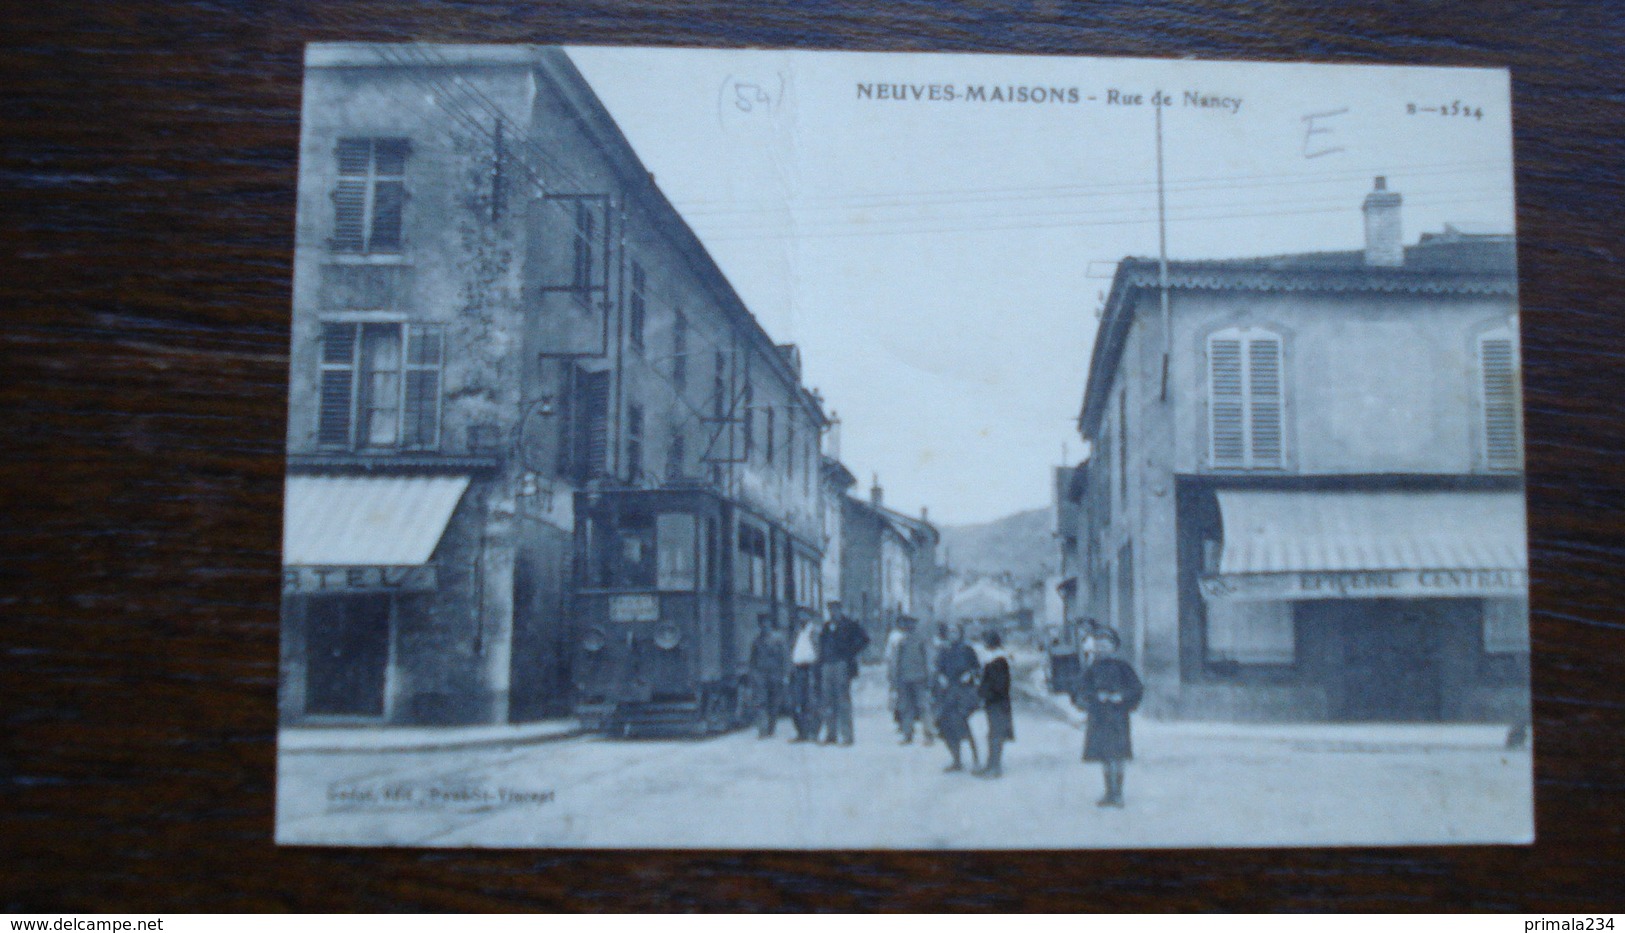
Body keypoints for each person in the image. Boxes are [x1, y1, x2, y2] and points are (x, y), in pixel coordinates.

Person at [1076, 628, 1143, 807]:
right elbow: (1081, 690)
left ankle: (1118, 793)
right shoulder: (1091, 669)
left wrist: (1121, 697)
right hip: (1098, 716)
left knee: (1118, 755)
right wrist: (1096, 696)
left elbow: (1136, 688)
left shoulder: (1123, 667)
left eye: (1106, 645)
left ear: (1114, 647)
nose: (1102, 649)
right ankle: (1109, 792)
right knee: (1105, 755)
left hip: (1118, 717)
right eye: (1098, 645)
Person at [818, 603, 870, 745]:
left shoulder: (850, 625)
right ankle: (831, 734)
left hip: (842, 664)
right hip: (827, 665)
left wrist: (850, 653)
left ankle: (847, 736)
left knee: (843, 701)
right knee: (828, 700)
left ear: (840, 609)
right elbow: (822, 645)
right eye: (830, 609)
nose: (833, 612)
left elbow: (865, 640)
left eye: (835, 609)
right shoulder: (827, 626)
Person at [933, 623, 981, 771]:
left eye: (955, 632)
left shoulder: (967, 649)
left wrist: (970, 674)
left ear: (960, 633)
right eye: (950, 632)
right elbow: (938, 669)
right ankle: (956, 760)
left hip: (964, 692)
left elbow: (977, 668)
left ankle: (976, 761)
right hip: (948, 693)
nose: (952, 635)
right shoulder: (944, 651)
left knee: (964, 725)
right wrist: (941, 677)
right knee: (946, 726)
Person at [975, 630, 1014, 778]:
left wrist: (984, 693)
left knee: (996, 734)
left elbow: (999, 685)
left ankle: (995, 767)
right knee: (992, 733)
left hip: (998, 702)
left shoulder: (999, 661)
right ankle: (990, 764)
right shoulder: (994, 659)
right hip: (994, 702)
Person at [890, 616, 931, 744]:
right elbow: (896, 661)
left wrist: (929, 676)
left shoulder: (922, 640)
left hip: (919, 677)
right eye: (906, 624)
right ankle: (908, 734)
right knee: (906, 707)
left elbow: (929, 659)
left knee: (923, 706)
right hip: (904, 678)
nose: (908, 626)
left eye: (911, 623)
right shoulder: (901, 641)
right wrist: (895, 678)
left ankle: (928, 734)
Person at [748, 614, 789, 738]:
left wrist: (786, 675)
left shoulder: (778, 639)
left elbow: (785, 657)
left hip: (775, 675)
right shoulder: (756, 640)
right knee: (760, 702)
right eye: (762, 623)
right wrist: (753, 674)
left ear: (770, 624)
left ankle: (771, 728)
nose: (764, 625)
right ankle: (763, 730)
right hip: (761, 675)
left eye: (766, 623)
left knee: (773, 702)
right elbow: (752, 659)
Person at [788, 607, 822, 742]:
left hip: (811, 669)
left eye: (804, 615)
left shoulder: (815, 632)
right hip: (797, 669)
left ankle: (813, 732)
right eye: (799, 615)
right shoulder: (796, 633)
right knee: (798, 701)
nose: (801, 618)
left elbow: (819, 650)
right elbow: (790, 650)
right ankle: (801, 733)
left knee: (812, 702)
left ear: (809, 617)